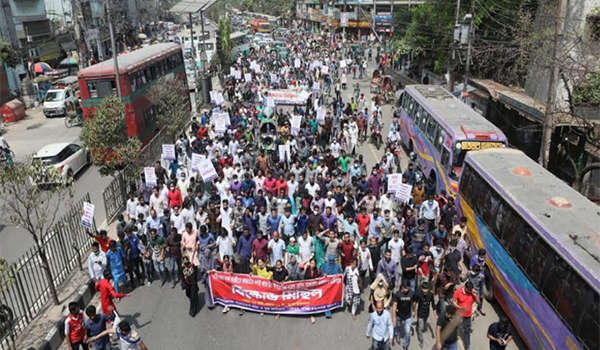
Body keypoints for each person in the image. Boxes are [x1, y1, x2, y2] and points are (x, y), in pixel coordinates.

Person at [451, 281, 480, 350]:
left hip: (468, 314)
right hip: (459, 313)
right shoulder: (458, 291)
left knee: (467, 330)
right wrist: (458, 307)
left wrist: (475, 295)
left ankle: (467, 345)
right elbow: (453, 301)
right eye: (468, 290)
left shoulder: (472, 293)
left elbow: (478, 302)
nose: (469, 291)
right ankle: (452, 337)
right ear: (465, 287)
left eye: (470, 290)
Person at [391, 282, 415, 350]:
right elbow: (394, 305)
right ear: (402, 287)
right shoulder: (398, 294)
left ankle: (405, 345)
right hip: (399, 314)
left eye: (407, 288)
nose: (405, 290)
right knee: (397, 326)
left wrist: (414, 311)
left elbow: (414, 303)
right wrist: (393, 317)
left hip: (408, 315)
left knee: (407, 331)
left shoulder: (412, 294)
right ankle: (397, 335)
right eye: (404, 288)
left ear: (409, 287)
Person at [413, 281, 436, 349]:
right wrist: (414, 311)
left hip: (426, 313)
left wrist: (434, 312)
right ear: (422, 289)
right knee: (421, 328)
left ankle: (419, 323)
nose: (425, 291)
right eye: (424, 289)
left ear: (428, 289)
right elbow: (415, 302)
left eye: (426, 289)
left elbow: (433, 304)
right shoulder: (418, 294)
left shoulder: (430, 295)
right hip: (420, 312)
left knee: (423, 323)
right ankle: (421, 341)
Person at [321, 254, 343, 318]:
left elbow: (341, 273)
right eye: (330, 260)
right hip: (327, 286)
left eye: (332, 260)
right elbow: (322, 274)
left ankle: (333, 307)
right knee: (327, 298)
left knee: (333, 297)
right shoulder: (325, 266)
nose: (331, 262)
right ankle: (327, 311)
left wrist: (338, 274)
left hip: (334, 286)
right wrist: (323, 274)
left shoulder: (337, 266)